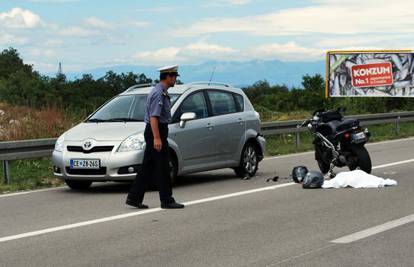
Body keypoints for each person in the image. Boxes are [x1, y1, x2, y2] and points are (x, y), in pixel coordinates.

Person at [126, 65, 184, 209]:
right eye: (174, 77)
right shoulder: (159, 93)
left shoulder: (161, 91)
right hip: (156, 131)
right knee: (163, 167)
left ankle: (134, 197)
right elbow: (154, 117)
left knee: (147, 166)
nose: (175, 79)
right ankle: (166, 200)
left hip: (155, 131)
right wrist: (157, 138)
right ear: (168, 76)